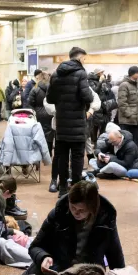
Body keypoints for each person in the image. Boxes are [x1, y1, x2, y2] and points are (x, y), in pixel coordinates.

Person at [27, 180, 125, 275]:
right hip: (58, 271)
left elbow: (115, 255)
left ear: (93, 208)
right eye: (73, 208)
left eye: (81, 210)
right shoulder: (59, 213)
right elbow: (35, 246)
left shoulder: (105, 218)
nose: (76, 213)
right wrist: (43, 257)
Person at [47, 46, 95, 196]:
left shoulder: (55, 74)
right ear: (80, 58)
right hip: (77, 125)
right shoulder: (81, 73)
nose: (85, 61)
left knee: (61, 157)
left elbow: (49, 98)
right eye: (84, 59)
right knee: (77, 158)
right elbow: (88, 97)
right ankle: (75, 189)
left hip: (61, 124)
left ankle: (62, 189)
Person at [27, 71, 56, 190]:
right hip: (50, 113)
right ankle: (48, 153)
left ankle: (39, 154)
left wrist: (34, 111)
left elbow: (30, 102)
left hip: (39, 114)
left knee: (39, 134)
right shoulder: (52, 88)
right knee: (50, 134)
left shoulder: (35, 89)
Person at [118, 66, 138, 147]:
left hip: (136, 119)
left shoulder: (136, 85)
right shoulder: (124, 85)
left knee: (137, 141)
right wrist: (129, 114)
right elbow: (122, 103)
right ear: (132, 74)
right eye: (137, 73)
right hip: (127, 120)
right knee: (126, 142)